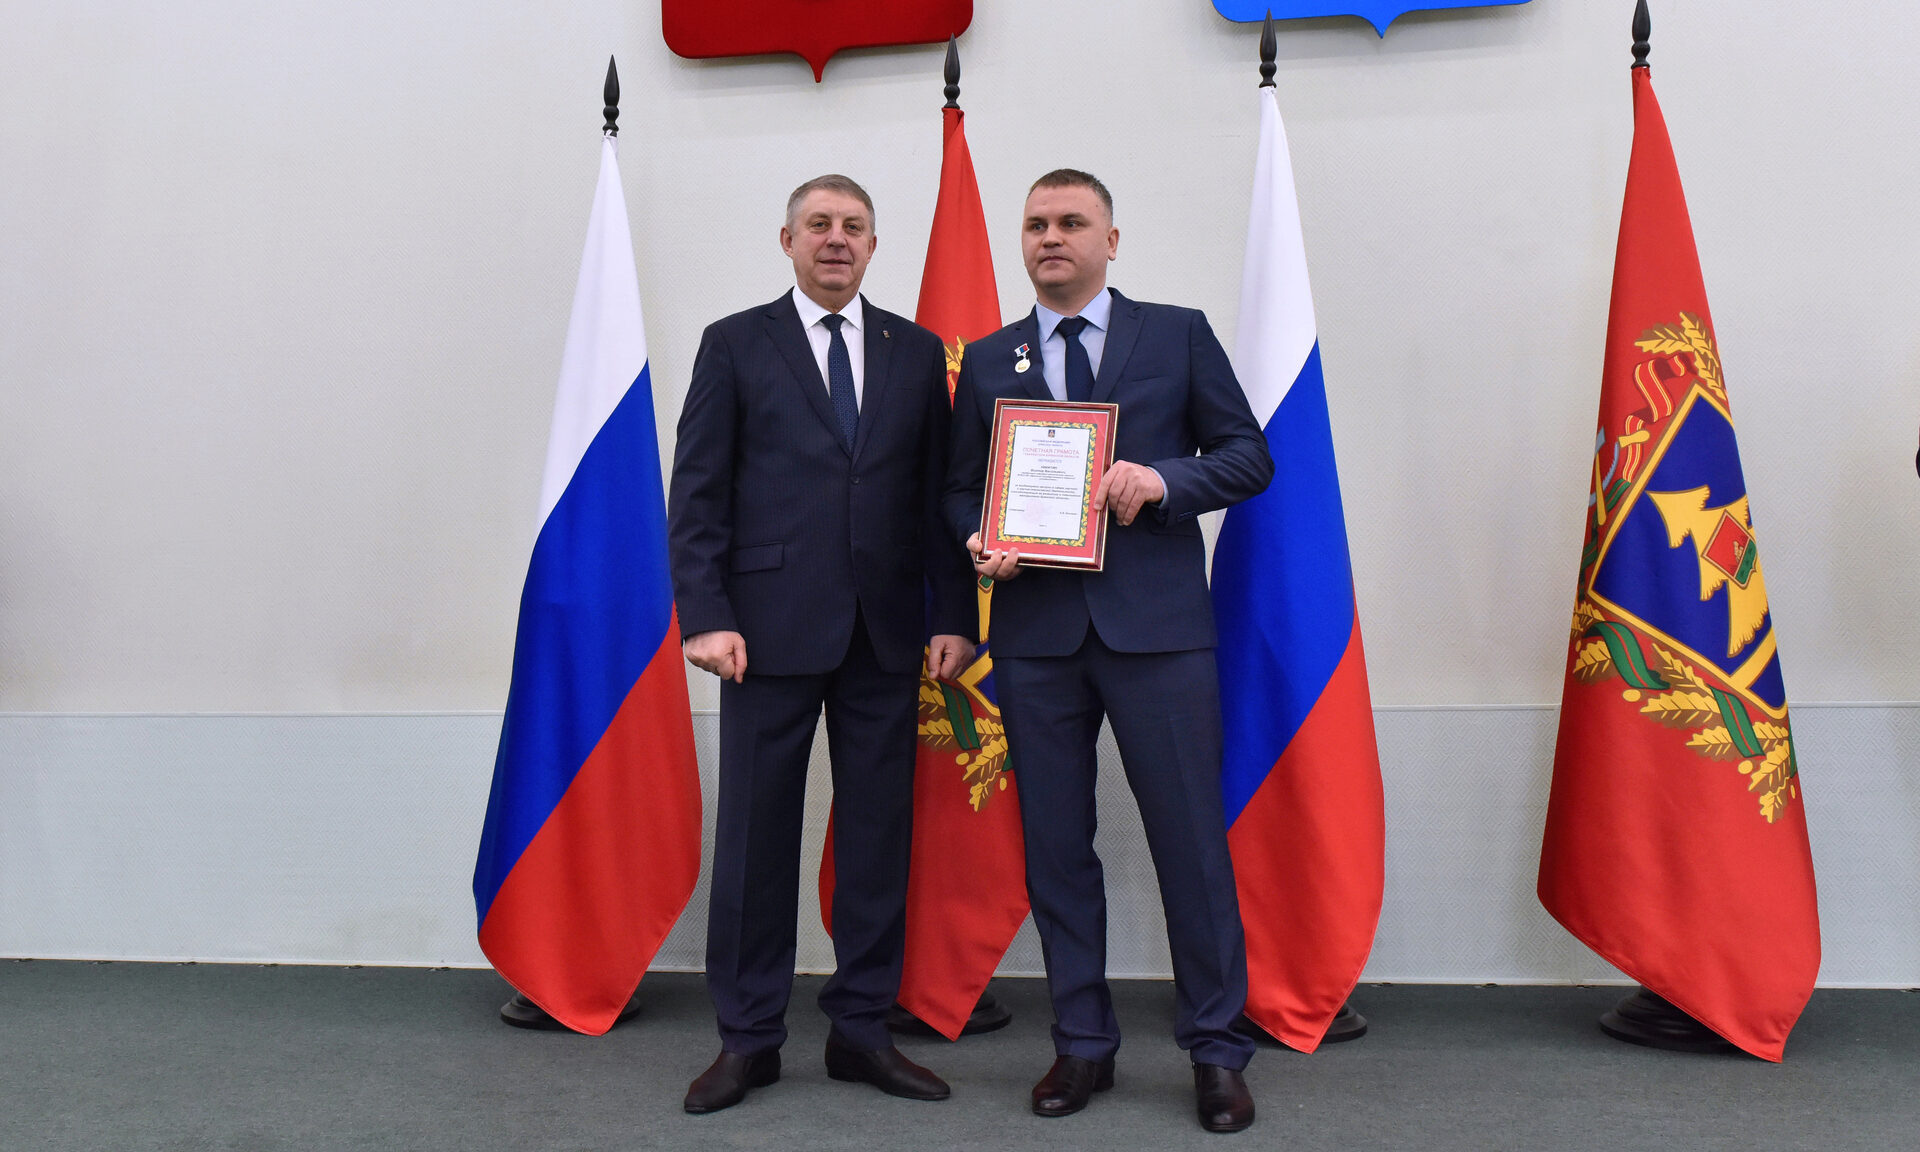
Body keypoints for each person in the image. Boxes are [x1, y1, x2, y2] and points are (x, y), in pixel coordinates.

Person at [945, 170, 1274, 1133]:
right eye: (1035, 225)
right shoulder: (992, 358)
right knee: (1056, 850)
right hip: (1036, 639)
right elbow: (960, 486)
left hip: (1158, 634)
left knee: (1190, 844)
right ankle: (1083, 1043)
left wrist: (1163, 481)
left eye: (1071, 222)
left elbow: (1248, 455)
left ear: (1111, 240)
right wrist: (978, 535)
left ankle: (1216, 1050)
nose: (1051, 238)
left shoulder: (1176, 334)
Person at [668, 174, 976, 1114]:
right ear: (788, 240)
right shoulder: (734, 343)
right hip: (761, 636)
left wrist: (952, 617)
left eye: (853, 227)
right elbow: (698, 492)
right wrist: (705, 613)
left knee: (879, 840)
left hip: (887, 635)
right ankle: (748, 1038)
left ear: (873, 246)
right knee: (755, 841)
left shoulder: (916, 353)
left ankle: (862, 1031)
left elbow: (938, 496)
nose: (836, 239)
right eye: (819, 225)